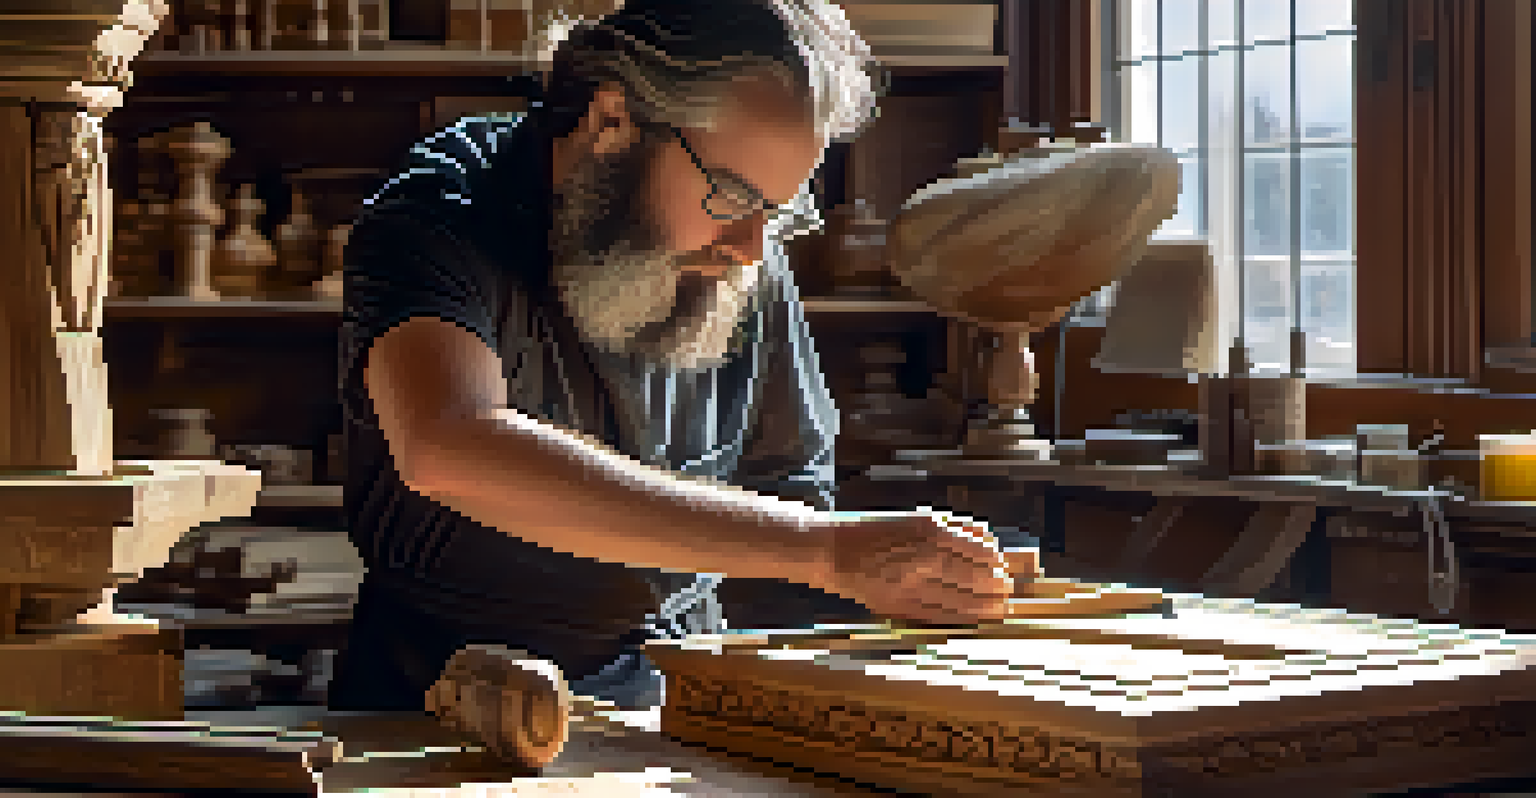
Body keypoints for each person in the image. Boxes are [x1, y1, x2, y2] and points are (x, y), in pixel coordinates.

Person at [329, 0, 1012, 713]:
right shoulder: (439, 214)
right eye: (732, 197)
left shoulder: (740, 252)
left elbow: (790, 493)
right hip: (443, 703)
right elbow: (450, 446)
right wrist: (828, 551)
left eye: (776, 213)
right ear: (613, 121)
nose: (752, 248)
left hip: (674, 695)